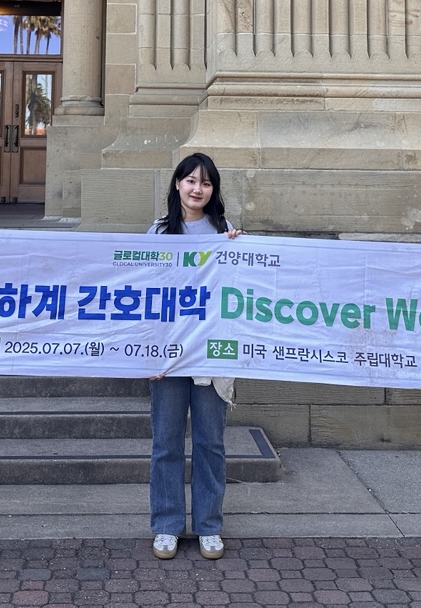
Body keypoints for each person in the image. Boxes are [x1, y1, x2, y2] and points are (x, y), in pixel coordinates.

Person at [145, 152, 242, 562]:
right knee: (165, 441)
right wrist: (149, 351)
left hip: (211, 353)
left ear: (213, 191)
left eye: (205, 183)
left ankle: (209, 526)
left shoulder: (227, 234)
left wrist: (239, 251)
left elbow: (238, 295)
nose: (197, 189)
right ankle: (166, 525)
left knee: (210, 442)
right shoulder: (159, 232)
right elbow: (146, 295)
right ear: (177, 185)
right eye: (190, 181)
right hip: (168, 353)